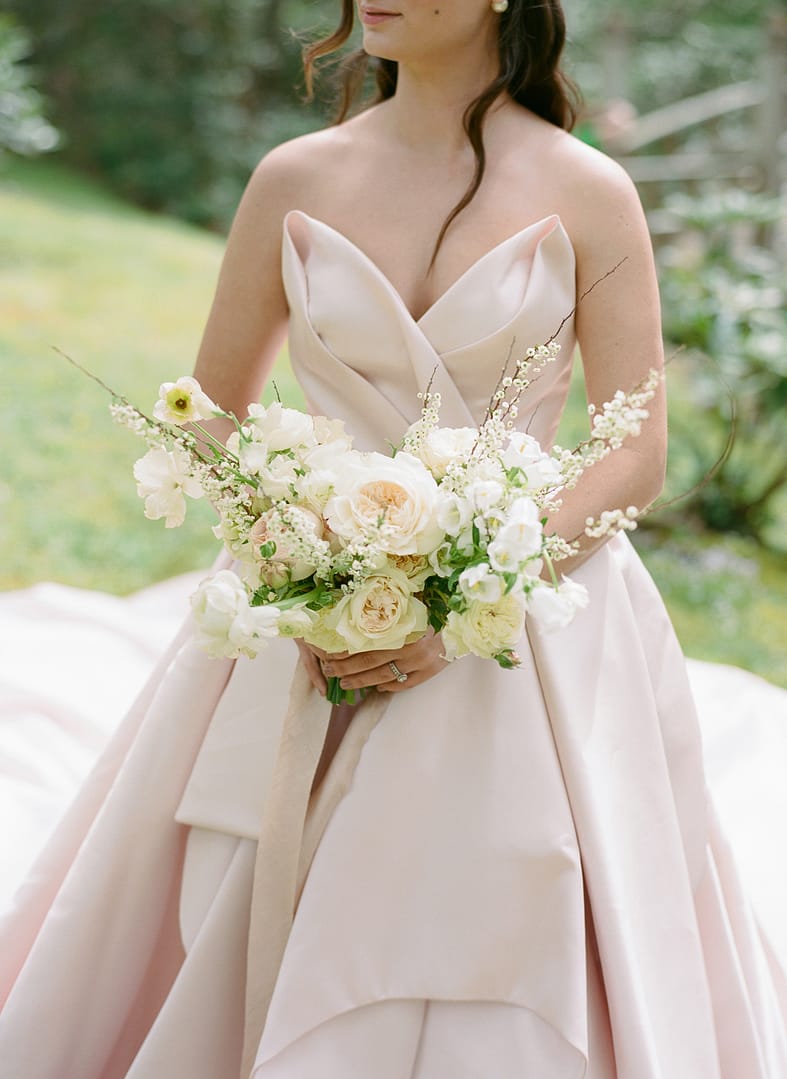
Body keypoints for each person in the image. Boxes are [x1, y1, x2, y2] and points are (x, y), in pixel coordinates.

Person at [1, 1, 786, 1076]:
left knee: (510, 890)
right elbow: (214, 415)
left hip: (525, 610)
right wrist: (306, 578)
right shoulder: (294, 177)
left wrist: (464, 603)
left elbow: (632, 452)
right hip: (310, 600)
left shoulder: (587, 189)